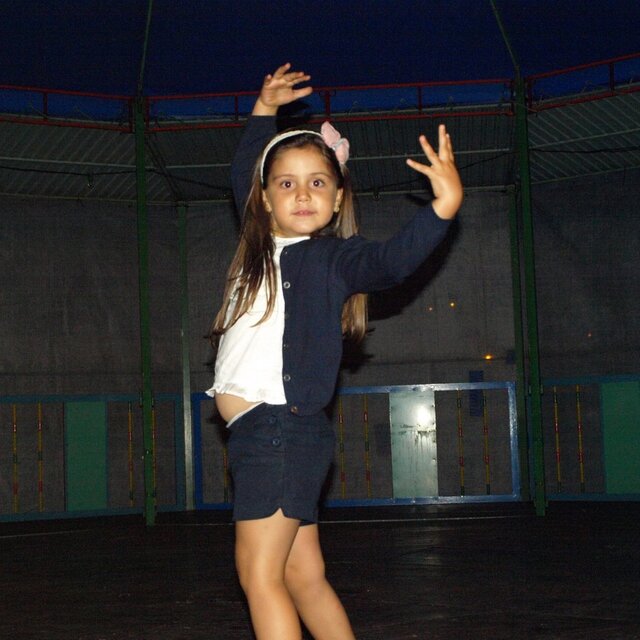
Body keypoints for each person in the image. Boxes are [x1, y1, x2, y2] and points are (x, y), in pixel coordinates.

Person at [207, 63, 463, 640]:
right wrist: (265, 108)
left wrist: (442, 208)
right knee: (303, 576)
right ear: (263, 198)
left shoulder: (330, 259)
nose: (302, 193)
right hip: (272, 435)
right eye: (286, 183)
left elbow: (390, 262)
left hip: (277, 431)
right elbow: (244, 166)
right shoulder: (258, 249)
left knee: (259, 576)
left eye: (318, 182)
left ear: (339, 194)